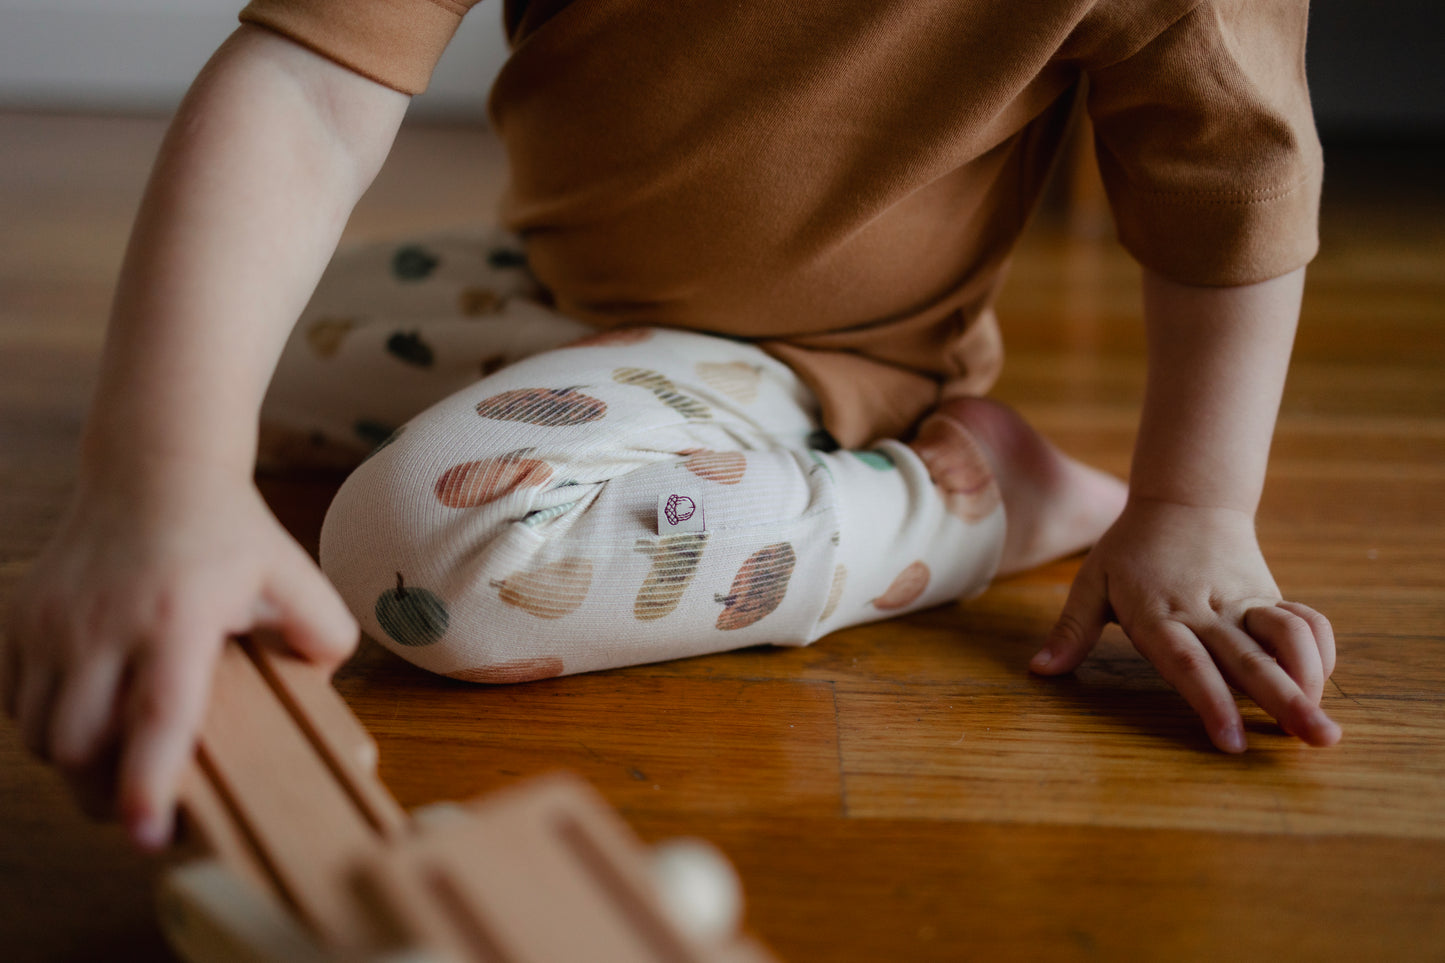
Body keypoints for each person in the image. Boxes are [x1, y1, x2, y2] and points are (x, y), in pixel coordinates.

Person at [2, 0, 1341, 851]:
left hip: (823, 356)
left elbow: (1228, 188)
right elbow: (303, 88)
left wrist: (1190, 509)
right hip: (562, 286)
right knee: (199, 336)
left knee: (431, 545)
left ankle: (974, 499)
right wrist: (159, 473)